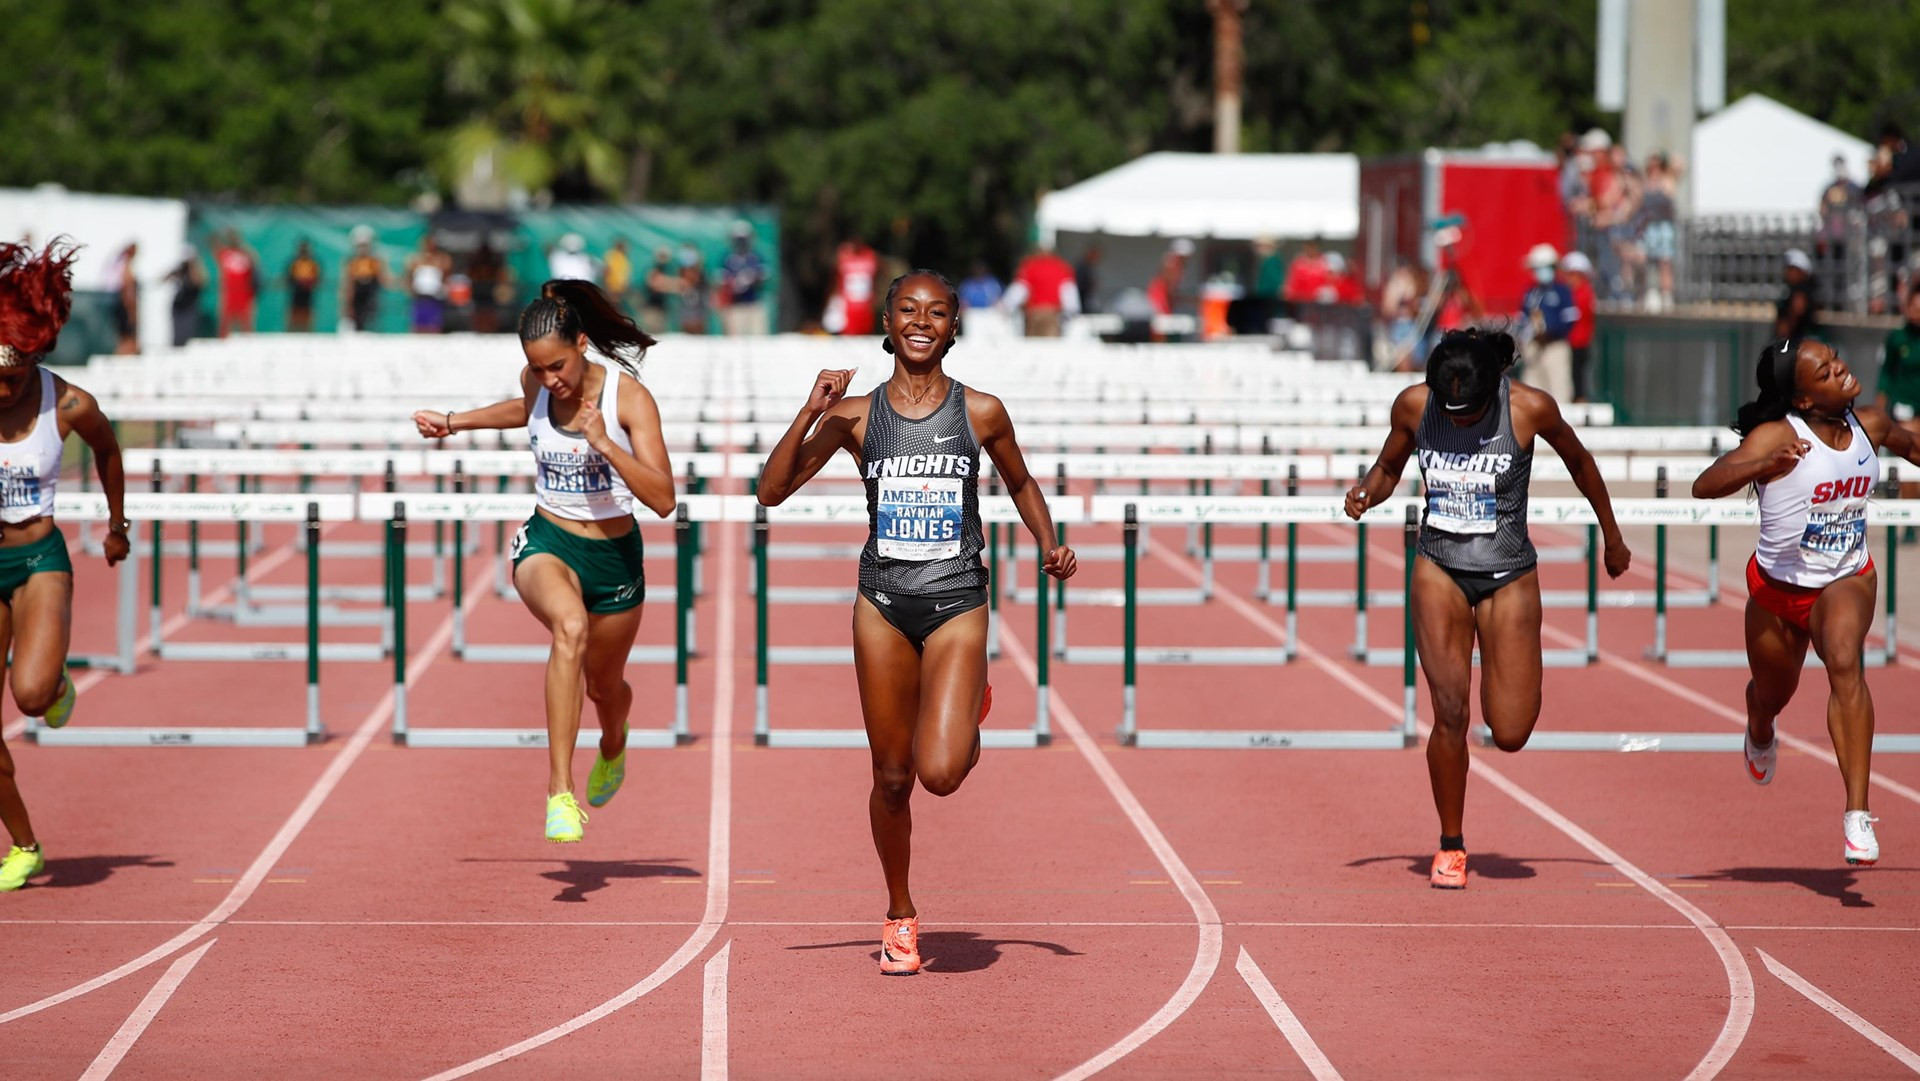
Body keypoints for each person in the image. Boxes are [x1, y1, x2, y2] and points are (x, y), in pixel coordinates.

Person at [756, 270, 1077, 974]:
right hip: (882, 602)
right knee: (893, 775)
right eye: (908, 309)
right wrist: (810, 410)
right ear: (888, 321)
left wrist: (1049, 539)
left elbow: (1019, 481)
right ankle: (900, 913)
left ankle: (966, 711)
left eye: (937, 311)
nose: (922, 321)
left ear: (955, 325)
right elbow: (772, 490)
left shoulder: (982, 411)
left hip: (957, 597)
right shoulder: (858, 416)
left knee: (940, 773)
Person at [1345, 329, 1630, 889]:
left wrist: (1612, 537)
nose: (1458, 423)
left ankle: (1500, 719)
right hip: (1439, 567)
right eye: (1449, 414)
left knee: (1511, 731)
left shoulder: (1529, 408)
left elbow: (1581, 461)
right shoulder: (1413, 406)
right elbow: (1388, 467)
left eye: (1470, 414)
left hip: (1508, 575)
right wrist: (1365, 492)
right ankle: (1451, 845)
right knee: (1449, 713)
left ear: (1493, 388)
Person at [411, 280, 676, 842]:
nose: (550, 380)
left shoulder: (628, 399)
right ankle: (560, 792)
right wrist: (455, 422)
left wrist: (605, 444)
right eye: (538, 368)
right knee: (569, 629)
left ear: (582, 344)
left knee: (605, 689)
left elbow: (663, 499)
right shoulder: (536, 382)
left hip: (616, 555)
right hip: (548, 540)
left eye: (557, 366)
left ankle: (613, 740)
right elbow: (523, 408)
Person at [1691, 338, 1920, 866]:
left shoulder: (1872, 426)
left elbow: (1914, 446)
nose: (1840, 366)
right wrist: (1764, 462)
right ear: (1805, 401)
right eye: (1823, 370)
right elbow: (1706, 485)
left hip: (1846, 578)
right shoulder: (1778, 435)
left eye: (1835, 357)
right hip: (1777, 591)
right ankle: (1760, 727)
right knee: (1773, 693)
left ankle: (1857, 816)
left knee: (1844, 659)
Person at [0, 240, 132, 891]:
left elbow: (110, 453)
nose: (3, 388)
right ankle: (23, 845)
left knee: (28, 696)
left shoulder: (68, 403)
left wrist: (116, 526)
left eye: (14, 377)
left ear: (36, 358)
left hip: (38, 558)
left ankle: (53, 684)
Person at [1519, 243, 1578, 403]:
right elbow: (1523, 317)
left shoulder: (1562, 291)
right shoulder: (1531, 292)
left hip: (1555, 346)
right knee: (1532, 389)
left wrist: (1551, 331)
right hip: (1534, 347)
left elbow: (1570, 320)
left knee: (1559, 389)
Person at [1004, 243, 1079, 337]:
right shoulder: (1063, 268)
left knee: (1032, 346)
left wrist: (1006, 306)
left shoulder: (1029, 267)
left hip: (1034, 314)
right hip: (1052, 314)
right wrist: (1072, 312)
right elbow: (1069, 294)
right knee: (1050, 347)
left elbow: (1018, 291)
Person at [719, 222, 770, 336]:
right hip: (735, 304)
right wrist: (734, 283)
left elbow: (764, 275)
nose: (741, 243)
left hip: (754, 303)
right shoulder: (728, 258)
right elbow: (721, 279)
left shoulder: (756, 257)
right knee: (735, 339)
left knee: (758, 337)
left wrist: (752, 277)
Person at [1561, 251, 1597, 402]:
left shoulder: (1583, 293)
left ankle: (1580, 398)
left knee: (1579, 375)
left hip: (1579, 341)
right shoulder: (1571, 293)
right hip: (1570, 341)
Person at [342, 228, 389, 333]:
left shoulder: (375, 261)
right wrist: (347, 301)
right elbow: (349, 282)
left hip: (370, 291)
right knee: (357, 317)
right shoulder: (352, 261)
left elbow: (382, 278)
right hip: (358, 292)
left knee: (371, 314)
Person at [214, 230, 259, 337]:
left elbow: (255, 261)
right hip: (229, 293)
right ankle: (223, 340)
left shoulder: (246, 253)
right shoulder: (225, 253)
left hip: (244, 293)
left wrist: (245, 248)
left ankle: (248, 341)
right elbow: (214, 246)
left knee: (246, 320)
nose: (233, 241)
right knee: (226, 320)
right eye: (231, 238)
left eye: (235, 238)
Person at [406, 235, 451, 335]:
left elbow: (447, 271)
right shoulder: (416, 259)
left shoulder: (441, 259)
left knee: (434, 323)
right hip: (420, 294)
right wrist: (409, 288)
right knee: (418, 322)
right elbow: (409, 275)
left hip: (434, 295)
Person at [164, 245, 207, 348]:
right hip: (178, 305)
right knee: (177, 335)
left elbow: (199, 282)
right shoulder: (180, 270)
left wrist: (192, 266)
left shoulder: (196, 270)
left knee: (187, 335)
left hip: (189, 306)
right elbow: (164, 278)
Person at [1775, 249, 1818, 340]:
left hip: (1796, 341)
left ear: (1801, 272)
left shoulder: (1800, 291)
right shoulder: (1791, 290)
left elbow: (1798, 309)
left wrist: (1786, 328)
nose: (1787, 272)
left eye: (1791, 269)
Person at [105, 242, 139, 354]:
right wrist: (132, 310)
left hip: (117, 302)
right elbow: (127, 288)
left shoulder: (117, 263)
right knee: (126, 336)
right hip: (123, 304)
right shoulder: (124, 265)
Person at [639, 246, 679, 336]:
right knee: (649, 331)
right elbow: (653, 283)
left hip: (663, 305)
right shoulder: (651, 267)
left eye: (664, 256)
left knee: (660, 333)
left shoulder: (670, 268)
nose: (663, 258)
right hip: (650, 304)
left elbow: (675, 285)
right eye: (661, 255)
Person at [285, 239, 322, 333]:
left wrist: (309, 283)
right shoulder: (294, 262)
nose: (304, 251)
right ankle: (290, 334)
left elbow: (318, 278)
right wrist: (298, 282)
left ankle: (309, 334)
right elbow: (288, 278)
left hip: (308, 293)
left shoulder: (313, 263)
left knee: (308, 317)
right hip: (296, 292)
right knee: (293, 316)